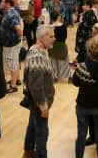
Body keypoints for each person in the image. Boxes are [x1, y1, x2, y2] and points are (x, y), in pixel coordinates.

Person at [22, 25, 55, 158]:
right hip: (39, 103)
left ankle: (28, 151)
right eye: (51, 36)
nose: (54, 39)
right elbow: (36, 85)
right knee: (42, 132)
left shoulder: (37, 51)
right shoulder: (37, 57)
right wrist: (43, 106)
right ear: (42, 38)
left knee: (32, 125)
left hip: (35, 102)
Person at [0, 0, 23, 93]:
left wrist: (20, 35)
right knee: (15, 61)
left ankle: (13, 86)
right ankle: (16, 79)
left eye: (2, 1)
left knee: (12, 63)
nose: (1, 3)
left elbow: (18, 28)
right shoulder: (13, 12)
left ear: (7, 4)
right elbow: (21, 21)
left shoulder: (10, 14)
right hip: (13, 42)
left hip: (11, 44)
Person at [48, 11, 71, 83]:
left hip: (52, 46)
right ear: (58, 17)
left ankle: (54, 77)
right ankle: (68, 77)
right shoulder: (63, 26)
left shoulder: (49, 27)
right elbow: (65, 37)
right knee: (65, 61)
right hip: (62, 45)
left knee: (53, 61)